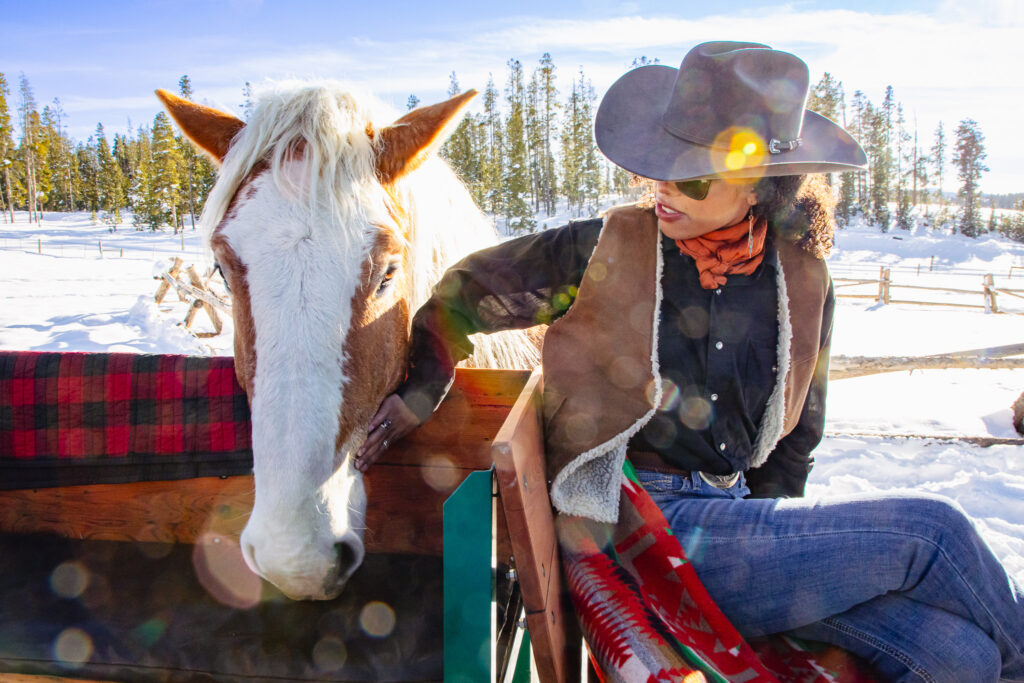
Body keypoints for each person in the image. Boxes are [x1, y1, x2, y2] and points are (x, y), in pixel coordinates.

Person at [356, 42, 1024, 681]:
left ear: (759, 185)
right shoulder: (611, 247)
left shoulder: (802, 280)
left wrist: (778, 558)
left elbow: (798, 440)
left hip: (737, 533)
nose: (661, 185)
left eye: (693, 171)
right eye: (658, 161)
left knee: (958, 654)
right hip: (638, 527)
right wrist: (421, 388)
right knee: (937, 532)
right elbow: (465, 294)